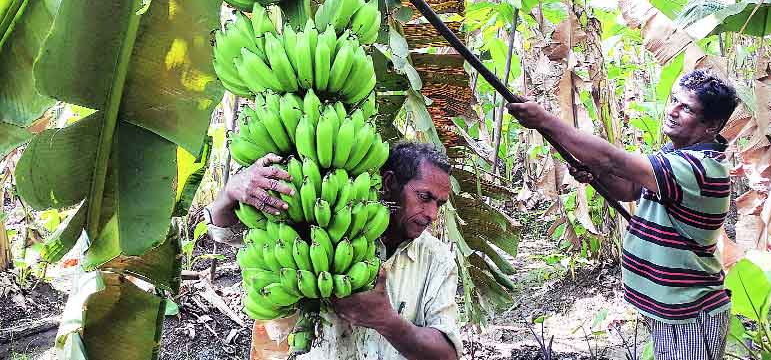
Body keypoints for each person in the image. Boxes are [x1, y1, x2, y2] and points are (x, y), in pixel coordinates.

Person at [507, 69, 739, 360]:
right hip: (667, 309)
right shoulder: (675, 156)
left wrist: (545, 121)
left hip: (689, 312)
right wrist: (597, 176)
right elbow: (629, 190)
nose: (673, 111)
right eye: (674, 101)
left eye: (687, 108)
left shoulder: (701, 168)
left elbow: (611, 158)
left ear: (712, 125)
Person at [204, 140, 461, 360]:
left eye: (440, 204)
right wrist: (230, 191)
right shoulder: (320, 230)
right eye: (424, 197)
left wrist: (388, 321)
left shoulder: (437, 259)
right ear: (389, 183)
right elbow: (225, 232)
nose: (431, 214)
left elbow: (448, 354)